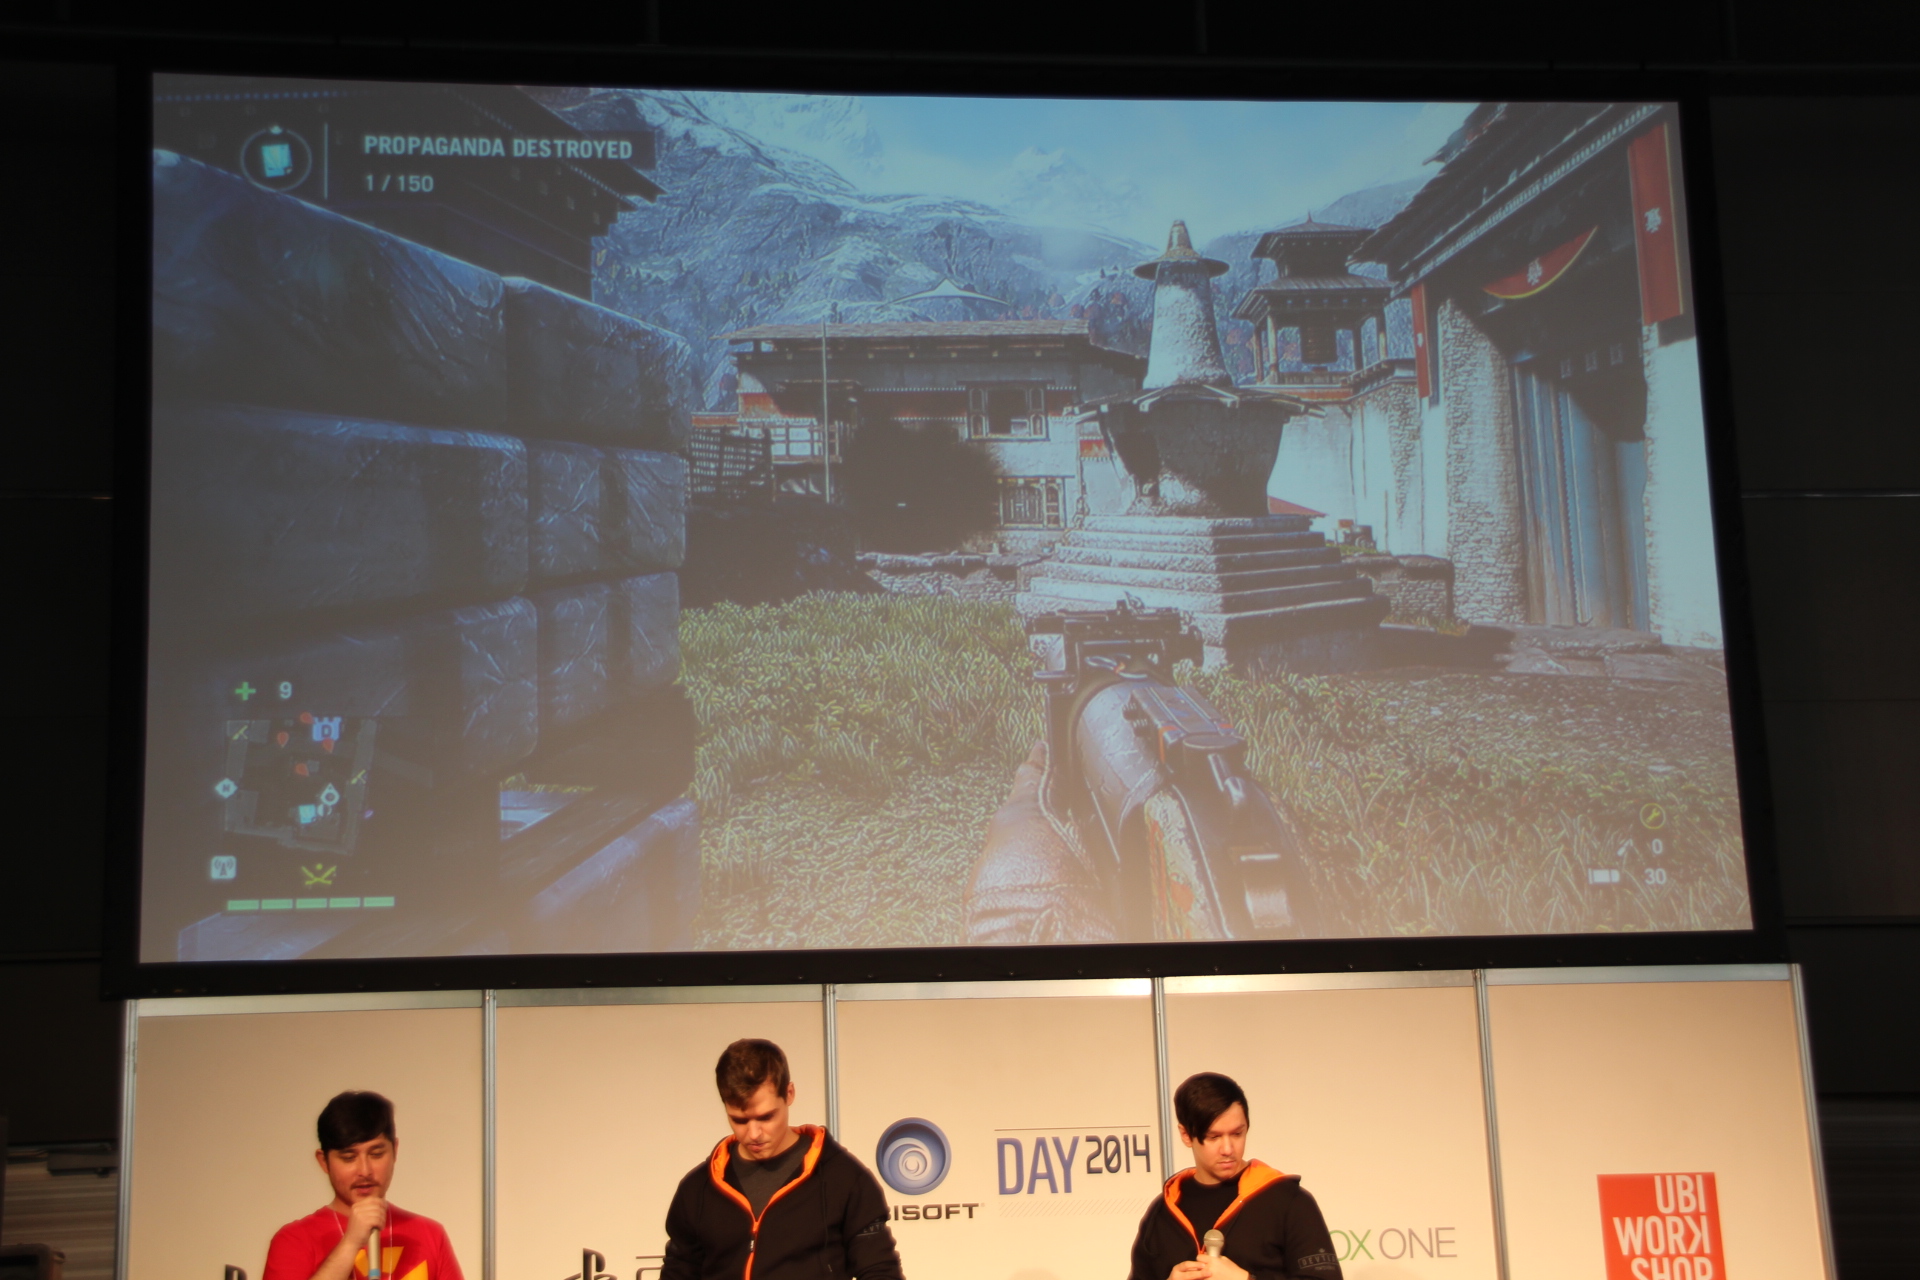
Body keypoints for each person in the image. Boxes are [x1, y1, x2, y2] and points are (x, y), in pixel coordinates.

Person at [662, 1039, 903, 1280]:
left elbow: (881, 1272)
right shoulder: (697, 1189)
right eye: (739, 1120)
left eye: (766, 1117)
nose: (753, 1134)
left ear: (789, 1093)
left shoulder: (844, 1179)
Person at [1128, 1073, 1341, 1280]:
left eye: (1237, 1134)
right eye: (1214, 1137)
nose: (1228, 1149)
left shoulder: (1288, 1201)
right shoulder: (1163, 1211)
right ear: (1186, 1135)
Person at [263, 1091, 466, 1280]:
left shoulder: (429, 1234)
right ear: (324, 1161)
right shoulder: (294, 1240)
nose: (365, 1171)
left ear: (395, 1151)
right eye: (349, 1158)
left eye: (376, 1154)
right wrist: (351, 1242)